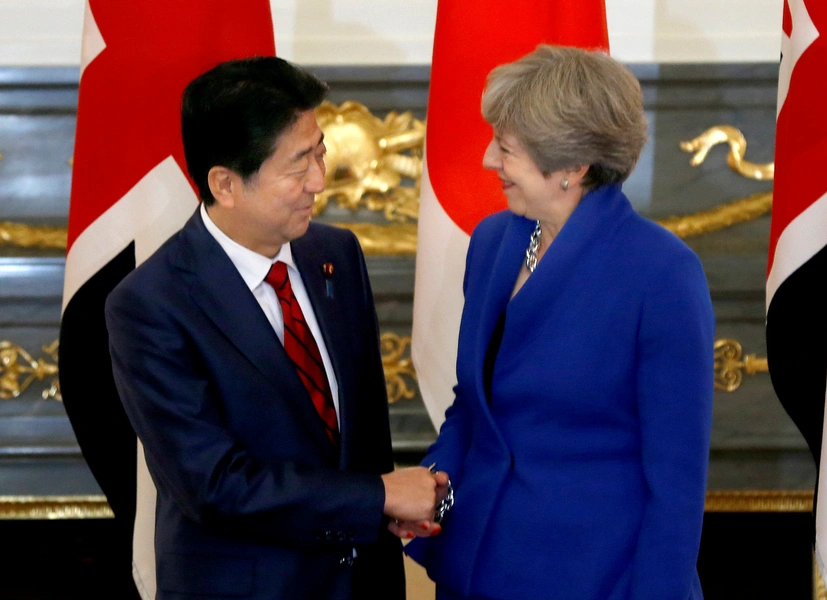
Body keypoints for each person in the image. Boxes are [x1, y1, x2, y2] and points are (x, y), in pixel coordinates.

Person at [105, 56, 445, 600]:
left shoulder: (337, 254)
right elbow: (214, 485)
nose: (321, 179)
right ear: (226, 184)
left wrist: (382, 509)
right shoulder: (150, 304)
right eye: (297, 165)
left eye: (320, 151)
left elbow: (362, 438)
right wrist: (377, 498)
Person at [404, 46, 715, 599]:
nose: (486, 161)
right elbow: (472, 409)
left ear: (572, 166)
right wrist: (431, 491)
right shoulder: (493, 242)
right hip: (476, 567)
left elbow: (677, 487)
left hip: (594, 578)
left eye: (506, 149)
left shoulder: (662, 273)